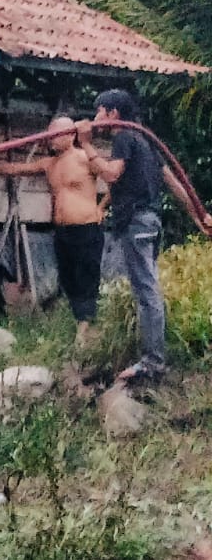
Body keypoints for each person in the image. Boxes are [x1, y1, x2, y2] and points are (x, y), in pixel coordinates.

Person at [77, 89, 212, 386]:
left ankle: (152, 362)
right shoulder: (145, 139)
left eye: (99, 111)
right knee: (149, 289)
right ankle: (153, 358)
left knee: (146, 291)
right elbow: (173, 181)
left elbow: (111, 174)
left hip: (137, 223)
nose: (96, 117)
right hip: (151, 221)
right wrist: (198, 215)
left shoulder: (125, 136)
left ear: (112, 113)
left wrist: (86, 145)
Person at [0, 116, 107, 346]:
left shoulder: (85, 158)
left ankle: (84, 332)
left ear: (70, 134)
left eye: (56, 134)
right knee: (68, 279)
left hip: (86, 227)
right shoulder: (49, 164)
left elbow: (114, 179)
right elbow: (15, 168)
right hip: (62, 231)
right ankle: (81, 327)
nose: (51, 139)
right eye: (49, 134)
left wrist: (102, 207)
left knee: (86, 279)